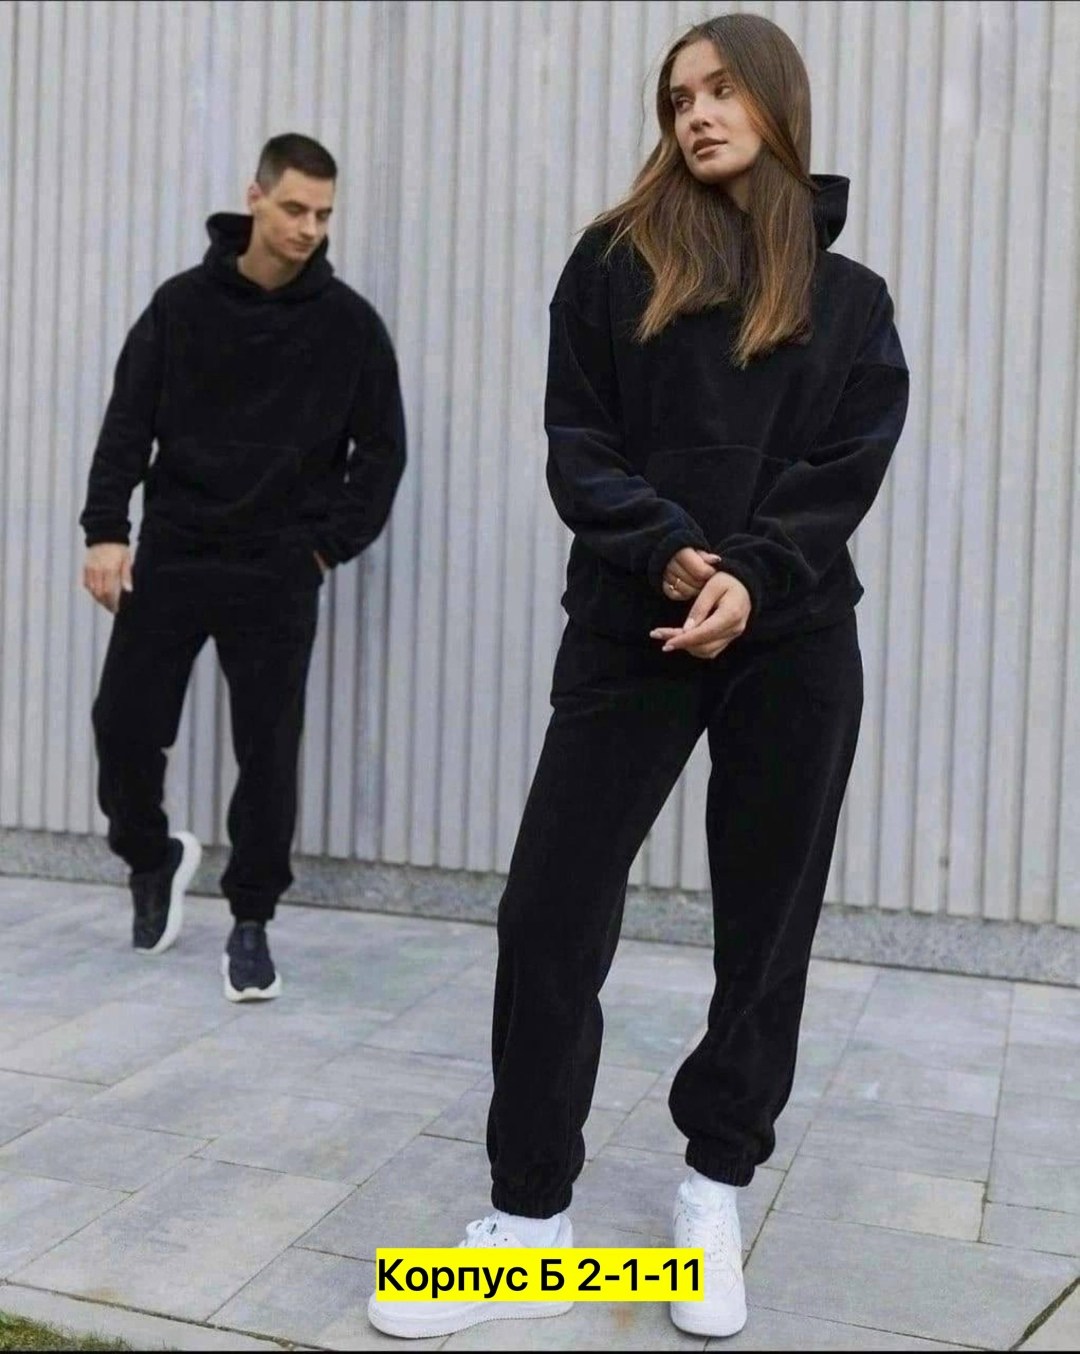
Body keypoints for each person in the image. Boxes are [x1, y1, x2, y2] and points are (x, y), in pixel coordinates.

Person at [368, 11, 907, 1342]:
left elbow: (842, 471)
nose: (697, 115)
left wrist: (754, 575)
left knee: (764, 927)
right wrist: (666, 549)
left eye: (721, 90)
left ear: (777, 102)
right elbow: (579, 441)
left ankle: (712, 1194)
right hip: (632, 622)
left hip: (791, 638)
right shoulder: (615, 263)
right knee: (550, 907)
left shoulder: (853, 300)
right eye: (678, 98)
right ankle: (527, 1223)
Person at [80, 133, 405, 1003]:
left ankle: (251, 920)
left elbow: (383, 452)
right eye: (295, 208)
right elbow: (127, 423)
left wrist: (323, 545)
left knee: (267, 751)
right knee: (122, 723)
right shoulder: (181, 307)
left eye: (323, 214)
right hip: (176, 551)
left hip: (277, 565)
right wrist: (106, 531)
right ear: (254, 197)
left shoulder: (348, 326)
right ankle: (149, 856)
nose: (309, 229)